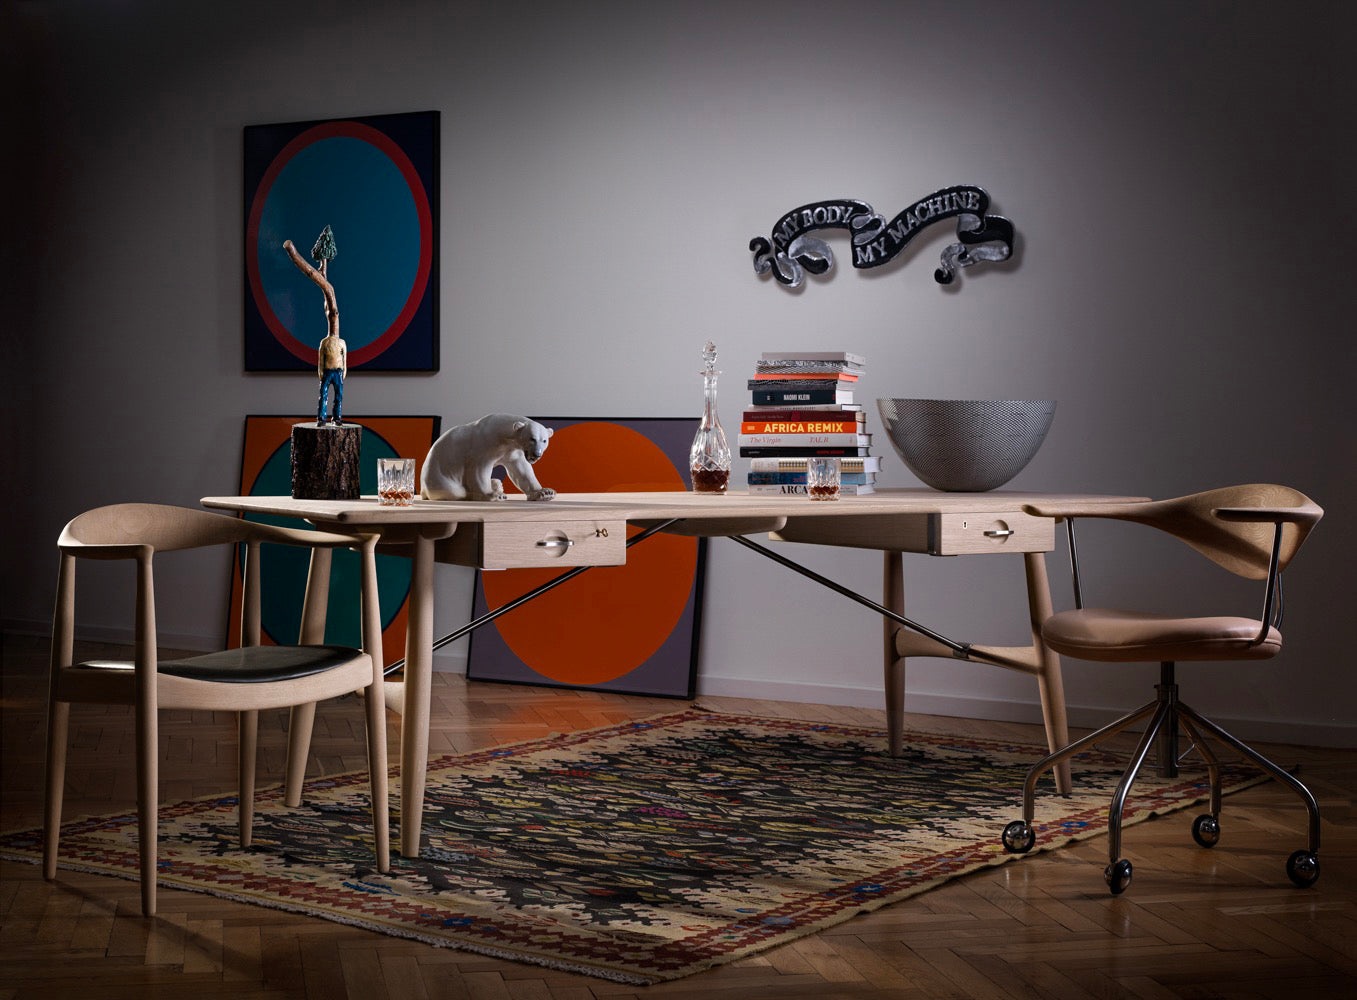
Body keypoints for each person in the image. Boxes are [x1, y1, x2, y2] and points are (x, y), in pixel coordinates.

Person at [317, 332, 347, 426]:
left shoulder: (341, 342)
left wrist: (344, 370)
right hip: (327, 371)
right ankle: (321, 418)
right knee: (323, 395)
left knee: (338, 395)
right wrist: (320, 371)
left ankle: (337, 418)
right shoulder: (324, 342)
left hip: (338, 371)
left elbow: (344, 358)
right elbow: (321, 359)